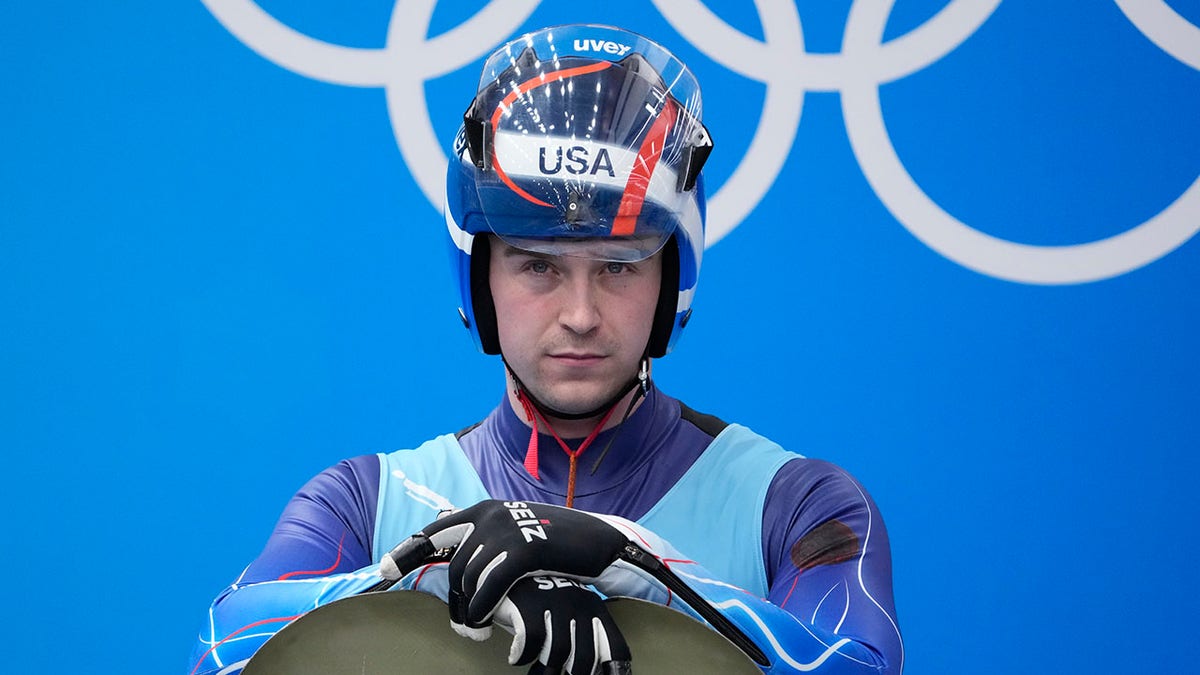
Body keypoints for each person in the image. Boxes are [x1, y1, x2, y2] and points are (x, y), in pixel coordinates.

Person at [188, 24, 903, 675]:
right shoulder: (364, 500)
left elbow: (860, 666)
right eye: (538, 265)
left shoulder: (800, 503)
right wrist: (433, 566)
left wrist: (630, 556)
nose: (582, 314)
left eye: (619, 266)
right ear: (480, 277)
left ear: (672, 276)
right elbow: (220, 651)